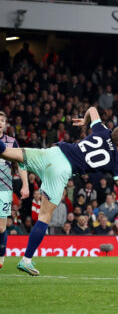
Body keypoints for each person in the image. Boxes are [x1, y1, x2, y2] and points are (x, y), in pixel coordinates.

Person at [0, 107, 118, 276]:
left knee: (5, 152)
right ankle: (26, 260)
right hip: (61, 170)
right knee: (44, 217)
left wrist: (85, 120)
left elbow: (93, 109)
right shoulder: (115, 161)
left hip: (53, 152)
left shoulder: (103, 130)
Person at [0, 111, 29, 271]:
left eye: (2, 120)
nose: (0, 123)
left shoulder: (11, 142)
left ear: (5, 124)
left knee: (1, 228)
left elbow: (21, 163)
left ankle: (1, 253)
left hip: (4, 189)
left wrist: (25, 184)